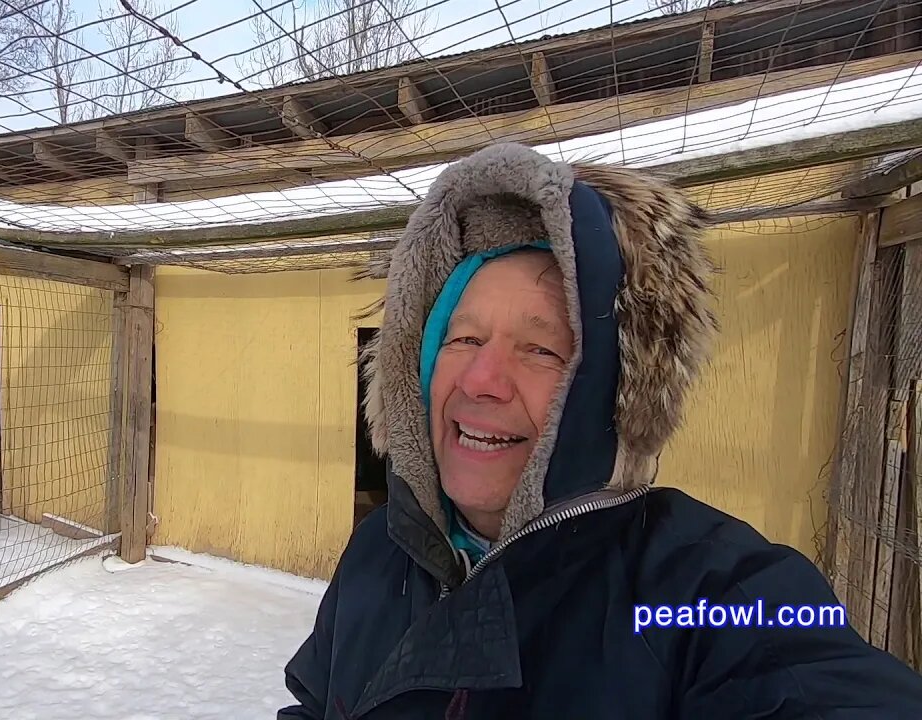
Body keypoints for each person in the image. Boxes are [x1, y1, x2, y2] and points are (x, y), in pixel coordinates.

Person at [278, 143, 922, 719]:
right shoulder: (378, 551)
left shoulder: (703, 590)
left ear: (607, 388)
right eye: (464, 337)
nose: (481, 380)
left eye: (541, 351)